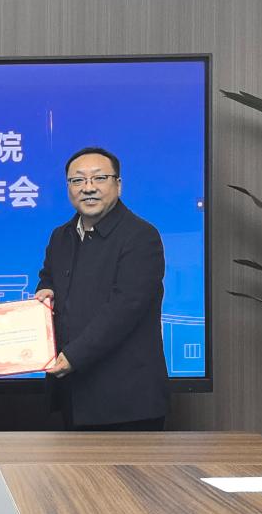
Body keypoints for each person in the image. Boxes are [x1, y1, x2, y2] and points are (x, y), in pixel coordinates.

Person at [35, 147, 169, 430]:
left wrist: (73, 357)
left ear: (118, 185)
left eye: (99, 178)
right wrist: (45, 293)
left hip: (127, 402)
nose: (88, 188)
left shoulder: (141, 236)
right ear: (68, 188)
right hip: (73, 393)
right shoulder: (61, 237)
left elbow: (125, 309)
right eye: (77, 180)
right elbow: (48, 278)